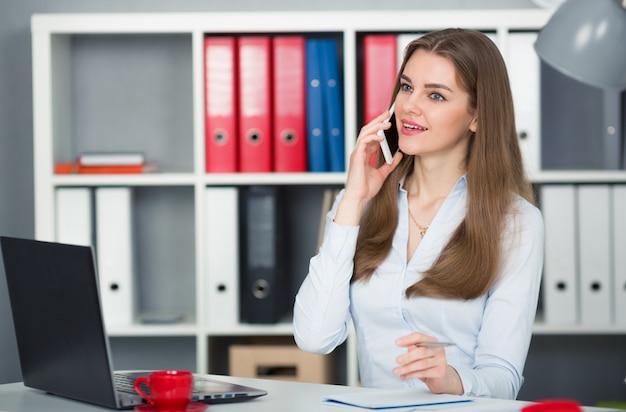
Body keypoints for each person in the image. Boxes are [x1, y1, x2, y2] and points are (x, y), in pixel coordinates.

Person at [293, 28, 544, 400]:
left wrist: (453, 380)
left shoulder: (516, 221)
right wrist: (351, 204)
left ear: (477, 116)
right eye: (407, 87)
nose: (410, 106)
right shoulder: (361, 203)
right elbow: (315, 337)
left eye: (436, 95)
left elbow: (502, 377)